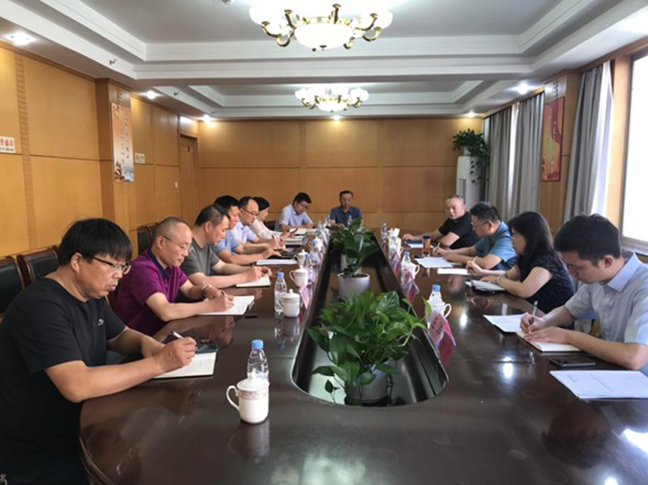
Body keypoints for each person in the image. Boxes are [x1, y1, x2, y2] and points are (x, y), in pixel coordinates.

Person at [0, 218, 196, 484]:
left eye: (123, 266)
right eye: (112, 265)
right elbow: (76, 385)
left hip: (82, 426)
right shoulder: (40, 306)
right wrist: (159, 363)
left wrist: (145, 343)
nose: (119, 275)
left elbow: (120, 335)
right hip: (37, 453)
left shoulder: (90, 294)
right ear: (77, 261)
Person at [521, 214, 648, 374]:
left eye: (576, 267)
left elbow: (633, 358)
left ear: (607, 261)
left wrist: (568, 336)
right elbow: (569, 311)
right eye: (567, 265)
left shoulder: (643, 286)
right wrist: (544, 321)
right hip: (614, 371)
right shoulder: (598, 278)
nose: (570, 273)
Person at [115, 217, 234, 336]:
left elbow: (190, 290)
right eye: (182, 246)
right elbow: (165, 311)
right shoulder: (142, 269)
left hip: (164, 332)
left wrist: (206, 289)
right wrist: (211, 306)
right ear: (161, 242)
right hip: (141, 340)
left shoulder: (171, 266)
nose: (186, 253)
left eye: (188, 247)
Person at [468, 211, 574, 313]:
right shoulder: (527, 256)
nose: (512, 240)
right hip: (533, 314)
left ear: (530, 236)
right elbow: (508, 275)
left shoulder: (547, 260)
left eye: (515, 235)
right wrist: (484, 273)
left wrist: (497, 280)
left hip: (552, 320)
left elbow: (523, 290)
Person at [181, 204, 271, 288]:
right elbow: (202, 282)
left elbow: (222, 267)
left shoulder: (205, 245)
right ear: (208, 226)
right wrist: (244, 277)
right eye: (223, 230)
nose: (224, 236)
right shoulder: (186, 248)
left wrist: (253, 270)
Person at [434, 202, 517, 270]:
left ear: (489, 225)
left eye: (475, 225)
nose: (473, 229)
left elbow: (486, 263)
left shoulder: (507, 238)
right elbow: (471, 250)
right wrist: (446, 253)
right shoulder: (489, 234)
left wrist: (456, 258)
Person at [213, 195, 280, 265]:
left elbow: (242, 248)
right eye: (235, 215)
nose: (237, 219)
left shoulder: (227, 232)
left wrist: (268, 247)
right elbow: (230, 259)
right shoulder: (217, 233)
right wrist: (262, 255)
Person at [403, 194, 478, 249]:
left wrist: (439, 239)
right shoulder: (452, 219)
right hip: (453, 252)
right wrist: (414, 238)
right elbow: (434, 235)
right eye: (447, 208)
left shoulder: (467, 219)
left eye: (454, 208)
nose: (450, 211)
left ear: (463, 207)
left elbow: (446, 242)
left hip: (467, 257)